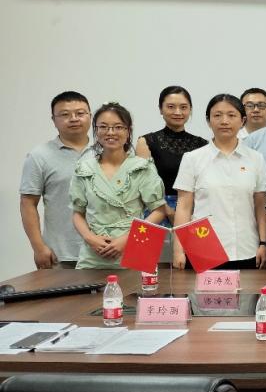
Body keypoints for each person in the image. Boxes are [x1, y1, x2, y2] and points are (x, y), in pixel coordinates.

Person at [173, 94, 266, 270]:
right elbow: (184, 207)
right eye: (217, 115)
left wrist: (264, 243)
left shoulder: (256, 159)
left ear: (242, 121)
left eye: (231, 115)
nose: (224, 121)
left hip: (247, 249)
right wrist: (178, 249)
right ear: (208, 121)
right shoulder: (192, 159)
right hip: (203, 249)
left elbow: (261, 205)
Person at [70, 102, 166, 269]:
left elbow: (159, 210)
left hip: (134, 247)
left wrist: (127, 239)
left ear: (128, 131)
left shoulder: (142, 167)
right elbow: (77, 212)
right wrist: (90, 238)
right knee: (88, 287)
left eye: (118, 127)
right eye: (103, 127)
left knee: (136, 286)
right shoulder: (84, 169)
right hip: (94, 252)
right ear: (96, 130)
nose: (110, 132)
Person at [20, 91, 91, 269]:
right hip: (60, 255)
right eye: (65, 114)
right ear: (53, 120)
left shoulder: (106, 150)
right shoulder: (39, 156)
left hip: (107, 252)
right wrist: (38, 248)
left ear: (90, 116)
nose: (74, 119)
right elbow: (28, 203)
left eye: (80, 113)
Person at [135, 86, 207, 216]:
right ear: (160, 109)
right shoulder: (146, 142)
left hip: (195, 212)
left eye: (183, 107)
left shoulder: (202, 144)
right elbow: (144, 187)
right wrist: (170, 213)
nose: (178, 112)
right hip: (157, 212)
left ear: (190, 109)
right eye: (171, 107)